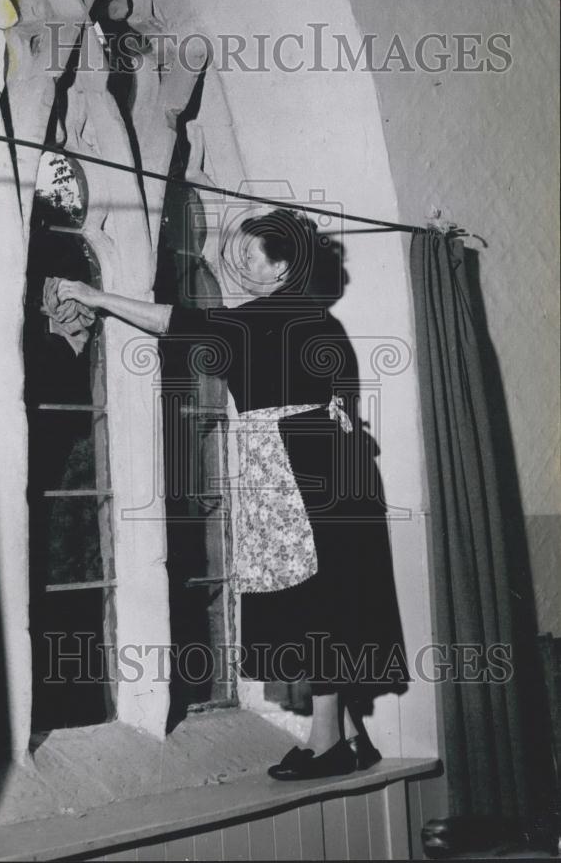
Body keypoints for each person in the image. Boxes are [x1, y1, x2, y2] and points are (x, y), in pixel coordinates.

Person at [55, 205, 407, 780]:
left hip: (298, 468)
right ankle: (344, 735)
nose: (240, 263)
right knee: (328, 592)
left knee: (312, 598)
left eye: (251, 255)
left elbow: (173, 321)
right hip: (325, 465)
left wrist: (96, 298)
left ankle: (329, 743)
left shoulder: (268, 319)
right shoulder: (314, 320)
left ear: (281, 268)